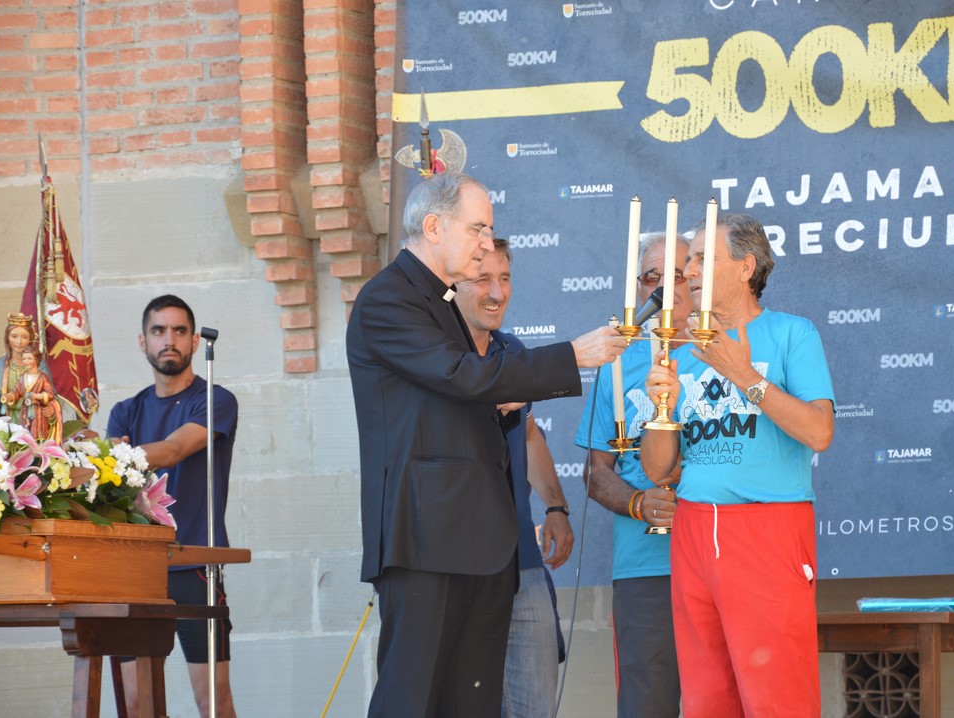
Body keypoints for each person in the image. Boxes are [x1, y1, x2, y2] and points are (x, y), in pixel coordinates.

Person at [346, 171, 627, 718]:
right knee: (412, 701)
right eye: (477, 228)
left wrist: (498, 405)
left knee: (471, 705)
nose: (485, 242)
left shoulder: (444, 304)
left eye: (489, 230)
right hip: (425, 539)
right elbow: (459, 376)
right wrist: (572, 356)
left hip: (481, 544)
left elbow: (456, 397)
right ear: (433, 227)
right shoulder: (388, 298)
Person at [640, 214, 835, 717]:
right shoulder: (681, 346)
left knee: (778, 699)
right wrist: (662, 410)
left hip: (766, 527)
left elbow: (820, 432)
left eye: (703, 259)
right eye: (690, 260)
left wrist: (744, 375)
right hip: (692, 529)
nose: (689, 270)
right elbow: (657, 471)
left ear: (746, 267)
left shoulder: (792, 333)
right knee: (706, 699)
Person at [573, 231, 692, 717]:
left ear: (699, 282)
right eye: (651, 277)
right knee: (647, 705)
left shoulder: (727, 353)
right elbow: (595, 472)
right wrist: (638, 503)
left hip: (720, 555)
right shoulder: (618, 363)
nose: (663, 288)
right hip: (645, 565)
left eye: (677, 275)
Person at [454, 238, 573, 718]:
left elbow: (528, 434)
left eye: (504, 279)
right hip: (461, 568)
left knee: (536, 709)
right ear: (454, 284)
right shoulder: (439, 358)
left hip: (523, 560)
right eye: (483, 278)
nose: (497, 292)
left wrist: (556, 507)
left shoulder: (513, 351)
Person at [108, 294, 240, 718]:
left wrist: (110, 457)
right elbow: (111, 484)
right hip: (136, 568)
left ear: (195, 341)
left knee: (213, 702)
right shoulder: (125, 411)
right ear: (142, 341)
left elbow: (172, 450)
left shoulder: (215, 400)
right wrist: (105, 459)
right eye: (158, 330)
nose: (169, 340)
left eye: (180, 331)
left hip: (195, 564)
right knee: (136, 703)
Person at [4, 345, 62, 444]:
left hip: (38, 412)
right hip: (25, 411)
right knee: (24, 432)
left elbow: (50, 393)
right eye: (24, 359)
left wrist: (37, 396)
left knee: (37, 432)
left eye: (29, 358)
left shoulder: (42, 377)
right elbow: (16, 391)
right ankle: (25, 447)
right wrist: (8, 396)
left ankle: (38, 448)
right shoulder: (23, 378)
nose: (26, 361)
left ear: (36, 359)